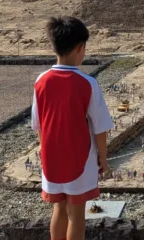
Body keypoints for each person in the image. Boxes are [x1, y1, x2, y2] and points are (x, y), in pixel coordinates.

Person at [32, 16, 114, 240]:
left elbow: (38, 124)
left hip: (51, 157)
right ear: (80, 48)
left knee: (58, 209)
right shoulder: (88, 83)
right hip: (79, 157)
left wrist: (43, 150)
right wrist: (103, 159)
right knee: (77, 214)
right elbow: (100, 127)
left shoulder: (41, 80)